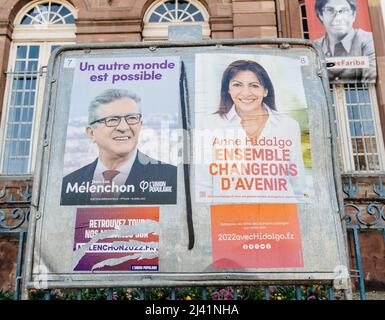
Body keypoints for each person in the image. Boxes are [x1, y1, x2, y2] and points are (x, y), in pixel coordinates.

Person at [197, 60, 308, 202]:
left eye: (254, 86)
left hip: (280, 217)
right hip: (229, 219)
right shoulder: (208, 125)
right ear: (228, 90)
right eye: (237, 85)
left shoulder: (288, 125)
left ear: (265, 90)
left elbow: (299, 183)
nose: (246, 93)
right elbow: (202, 185)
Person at [61, 88, 177, 205]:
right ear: (91, 133)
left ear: (140, 125)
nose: (123, 127)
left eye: (132, 118)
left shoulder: (172, 179)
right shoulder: (68, 185)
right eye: (112, 120)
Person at [314, 0, 376, 82]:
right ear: (320, 15)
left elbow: (371, 78)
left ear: (353, 15)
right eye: (330, 10)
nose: (338, 18)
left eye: (344, 11)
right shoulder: (314, 47)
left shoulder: (369, 40)